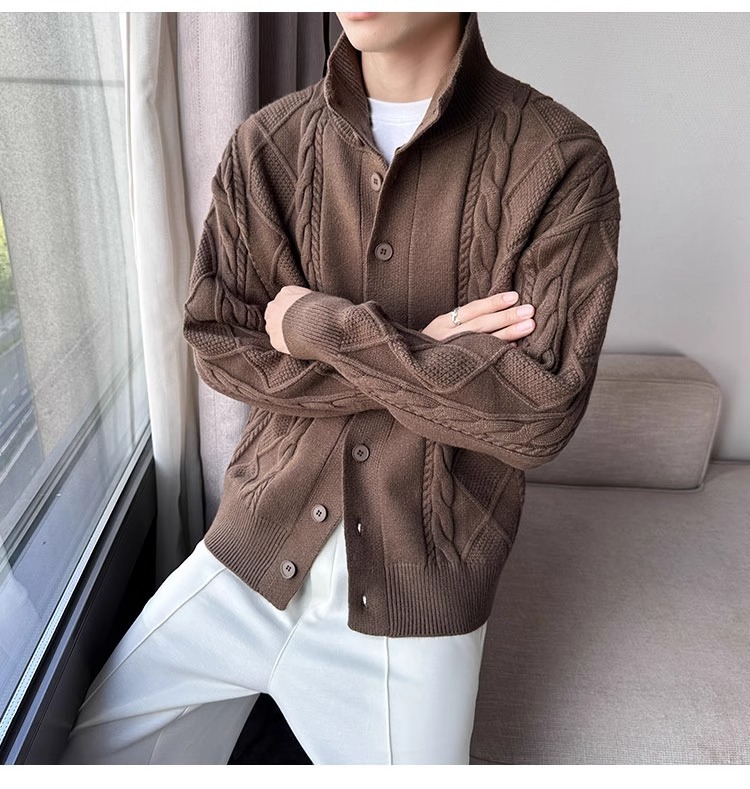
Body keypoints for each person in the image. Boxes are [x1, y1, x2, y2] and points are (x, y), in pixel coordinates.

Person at [61, 11, 619, 765]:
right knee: (87, 754)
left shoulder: (560, 161)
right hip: (247, 556)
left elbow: (536, 416)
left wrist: (318, 325)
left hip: (415, 605)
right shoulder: (267, 145)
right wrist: (428, 352)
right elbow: (220, 344)